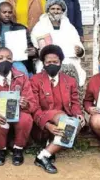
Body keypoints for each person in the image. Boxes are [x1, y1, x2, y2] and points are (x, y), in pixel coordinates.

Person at [31, 45, 84, 174]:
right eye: (48, 62)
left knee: (75, 123)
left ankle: (44, 155)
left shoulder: (70, 81)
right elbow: (34, 108)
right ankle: (48, 148)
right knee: (67, 121)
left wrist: (78, 114)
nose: (52, 64)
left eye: (55, 62)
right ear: (43, 63)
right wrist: (48, 125)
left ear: (61, 62)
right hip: (43, 119)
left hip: (64, 118)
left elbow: (75, 103)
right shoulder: (35, 80)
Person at [0, 47, 37, 166]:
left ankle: (18, 148)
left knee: (26, 119)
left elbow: (32, 103)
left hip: (18, 112)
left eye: (8, 58)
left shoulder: (21, 77)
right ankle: (1, 149)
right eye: (0, 58)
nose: (4, 61)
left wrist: (26, 103)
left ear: (13, 61)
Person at [31, 0, 86, 100]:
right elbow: (36, 45)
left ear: (62, 11)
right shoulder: (40, 26)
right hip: (49, 61)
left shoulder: (69, 26)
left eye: (58, 9)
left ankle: (72, 104)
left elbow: (78, 43)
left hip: (69, 60)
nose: (55, 11)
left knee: (71, 73)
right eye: (52, 9)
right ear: (48, 10)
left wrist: (79, 51)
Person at [0, 2, 38, 76]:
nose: (7, 15)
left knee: (22, 74)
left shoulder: (21, 28)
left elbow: (29, 47)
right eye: (4, 12)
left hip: (17, 61)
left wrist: (34, 51)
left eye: (10, 12)